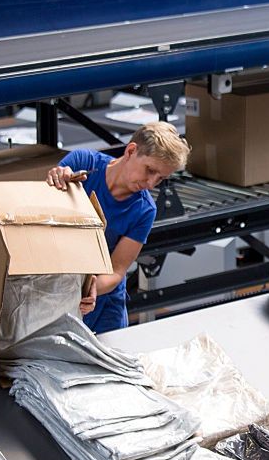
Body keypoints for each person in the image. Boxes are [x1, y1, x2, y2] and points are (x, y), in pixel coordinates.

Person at [45, 121, 190, 333]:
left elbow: (116, 270)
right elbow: (42, 215)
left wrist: (90, 290)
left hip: (101, 307)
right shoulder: (83, 163)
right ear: (131, 150)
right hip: (56, 289)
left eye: (161, 178)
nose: (151, 184)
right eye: (149, 170)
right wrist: (55, 179)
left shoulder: (144, 210)